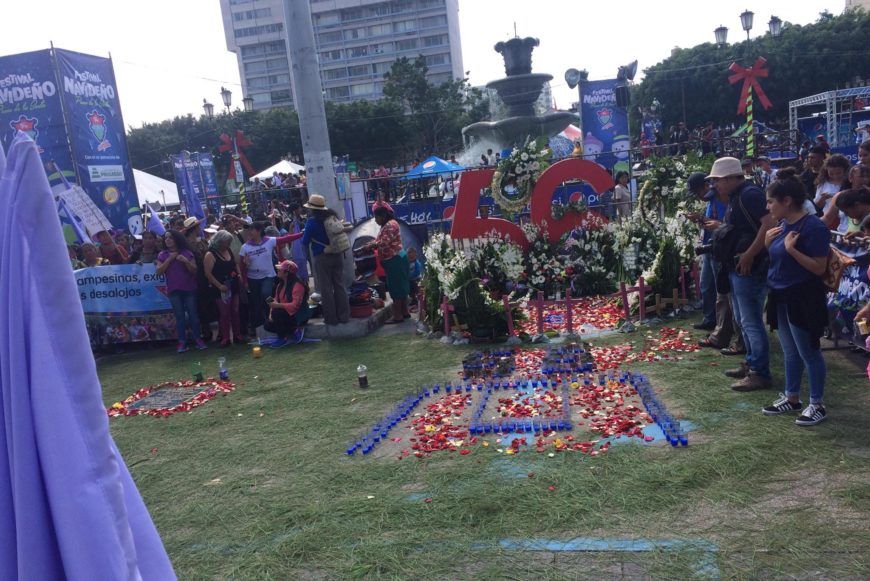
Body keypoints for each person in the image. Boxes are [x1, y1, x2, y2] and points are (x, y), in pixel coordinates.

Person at [761, 169, 830, 426]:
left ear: (787, 200)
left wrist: (791, 250)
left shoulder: (813, 226)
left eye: (771, 201)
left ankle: (817, 403)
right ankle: (792, 398)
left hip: (802, 296)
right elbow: (778, 261)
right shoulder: (782, 226)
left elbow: (819, 268)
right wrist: (770, 246)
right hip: (780, 294)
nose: (768, 207)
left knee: (809, 351)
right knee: (790, 351)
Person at [707, 157, 775, 391]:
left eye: (717, 180)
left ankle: (760, 372)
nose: (715, 185)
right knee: (743, 320)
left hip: (750, 267)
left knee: (751, 321)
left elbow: (769, 224)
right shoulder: (738, 196)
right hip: (737, 266)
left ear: (729, 178)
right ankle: (752, 364)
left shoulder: (750, 194)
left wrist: (750, 254)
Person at [239, 222, 302, 334]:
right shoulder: (245, 247)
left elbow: (286, 239)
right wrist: (244, 281)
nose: (249, 232)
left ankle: (271, 313)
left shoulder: (269, 241)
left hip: (268, 276)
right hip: (252, 278)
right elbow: (242, 267)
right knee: (256, 302)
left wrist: (300, 234)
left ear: (259, 231)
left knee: (266, 294)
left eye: (252, 230)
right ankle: (259, 325)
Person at [301, 194, 351, 325]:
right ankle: (344, 316)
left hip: (322, 256)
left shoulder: (311, 222)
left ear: (312, 209)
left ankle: (331, 319)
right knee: (339, 285)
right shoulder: (332, 217)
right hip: (337, 254)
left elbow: (305, 241)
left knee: (326, 288)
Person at [156, 229, 206, 353]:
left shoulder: (187, 253)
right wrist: (170, 259)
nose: (167, 240)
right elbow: (159, 271)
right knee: (179, 317)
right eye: (166, 238)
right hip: (173, 290)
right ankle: (182, 342)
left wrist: (185, 261)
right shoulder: (162, 254)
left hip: (189, 289)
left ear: (177, 239)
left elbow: (194, 270)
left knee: (193, 315)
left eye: (170, 238)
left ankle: (198, 339)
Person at [362, 203, 409, 323]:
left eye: (377, 218)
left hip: (394, 259)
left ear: (382, 216)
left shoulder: (389, 225)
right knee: (402, 286)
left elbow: (384, 242)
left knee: (395, 288)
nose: (376, 221)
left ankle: (398, 315)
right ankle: (405, 311)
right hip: (397, 258)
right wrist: (372, 243)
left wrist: (372, 245)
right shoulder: (389, 224)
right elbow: (380, 239)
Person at [204, 230, 245, 347]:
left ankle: (237, 335)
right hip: (220, 287)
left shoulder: (229, 250)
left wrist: (239, 274)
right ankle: (226, 337)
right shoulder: (210, 254)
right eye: (226, 243)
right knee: (224, 313)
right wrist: (219, 286)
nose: (227, 245)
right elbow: (208, 274)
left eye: (228, 243)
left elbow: (235, 263)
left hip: (233, 284)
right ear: (219, 242)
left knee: (235, 311)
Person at [264, 260, 310, 348]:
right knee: (267, 325)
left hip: (297, 315)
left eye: (280, 269)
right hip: (285, 314)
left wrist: (278, 306)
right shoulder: (279, 285)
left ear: (287, 273)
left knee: (277, 313)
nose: (278, 270)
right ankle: (293, 331)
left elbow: (295, 306)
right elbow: (274, 300)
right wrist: (270, 314)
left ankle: (283, 338)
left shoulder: (298, 285)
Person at [814, 154, 851, 231]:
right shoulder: (823, 184)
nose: (835, 176)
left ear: (845, 170)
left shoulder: (850, 182)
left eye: (839, 173)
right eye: (831, 173)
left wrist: (834, 195)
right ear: (826, 170)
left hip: (846, 217)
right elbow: (817, 205)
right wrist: (823, 198)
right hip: (829, 217)